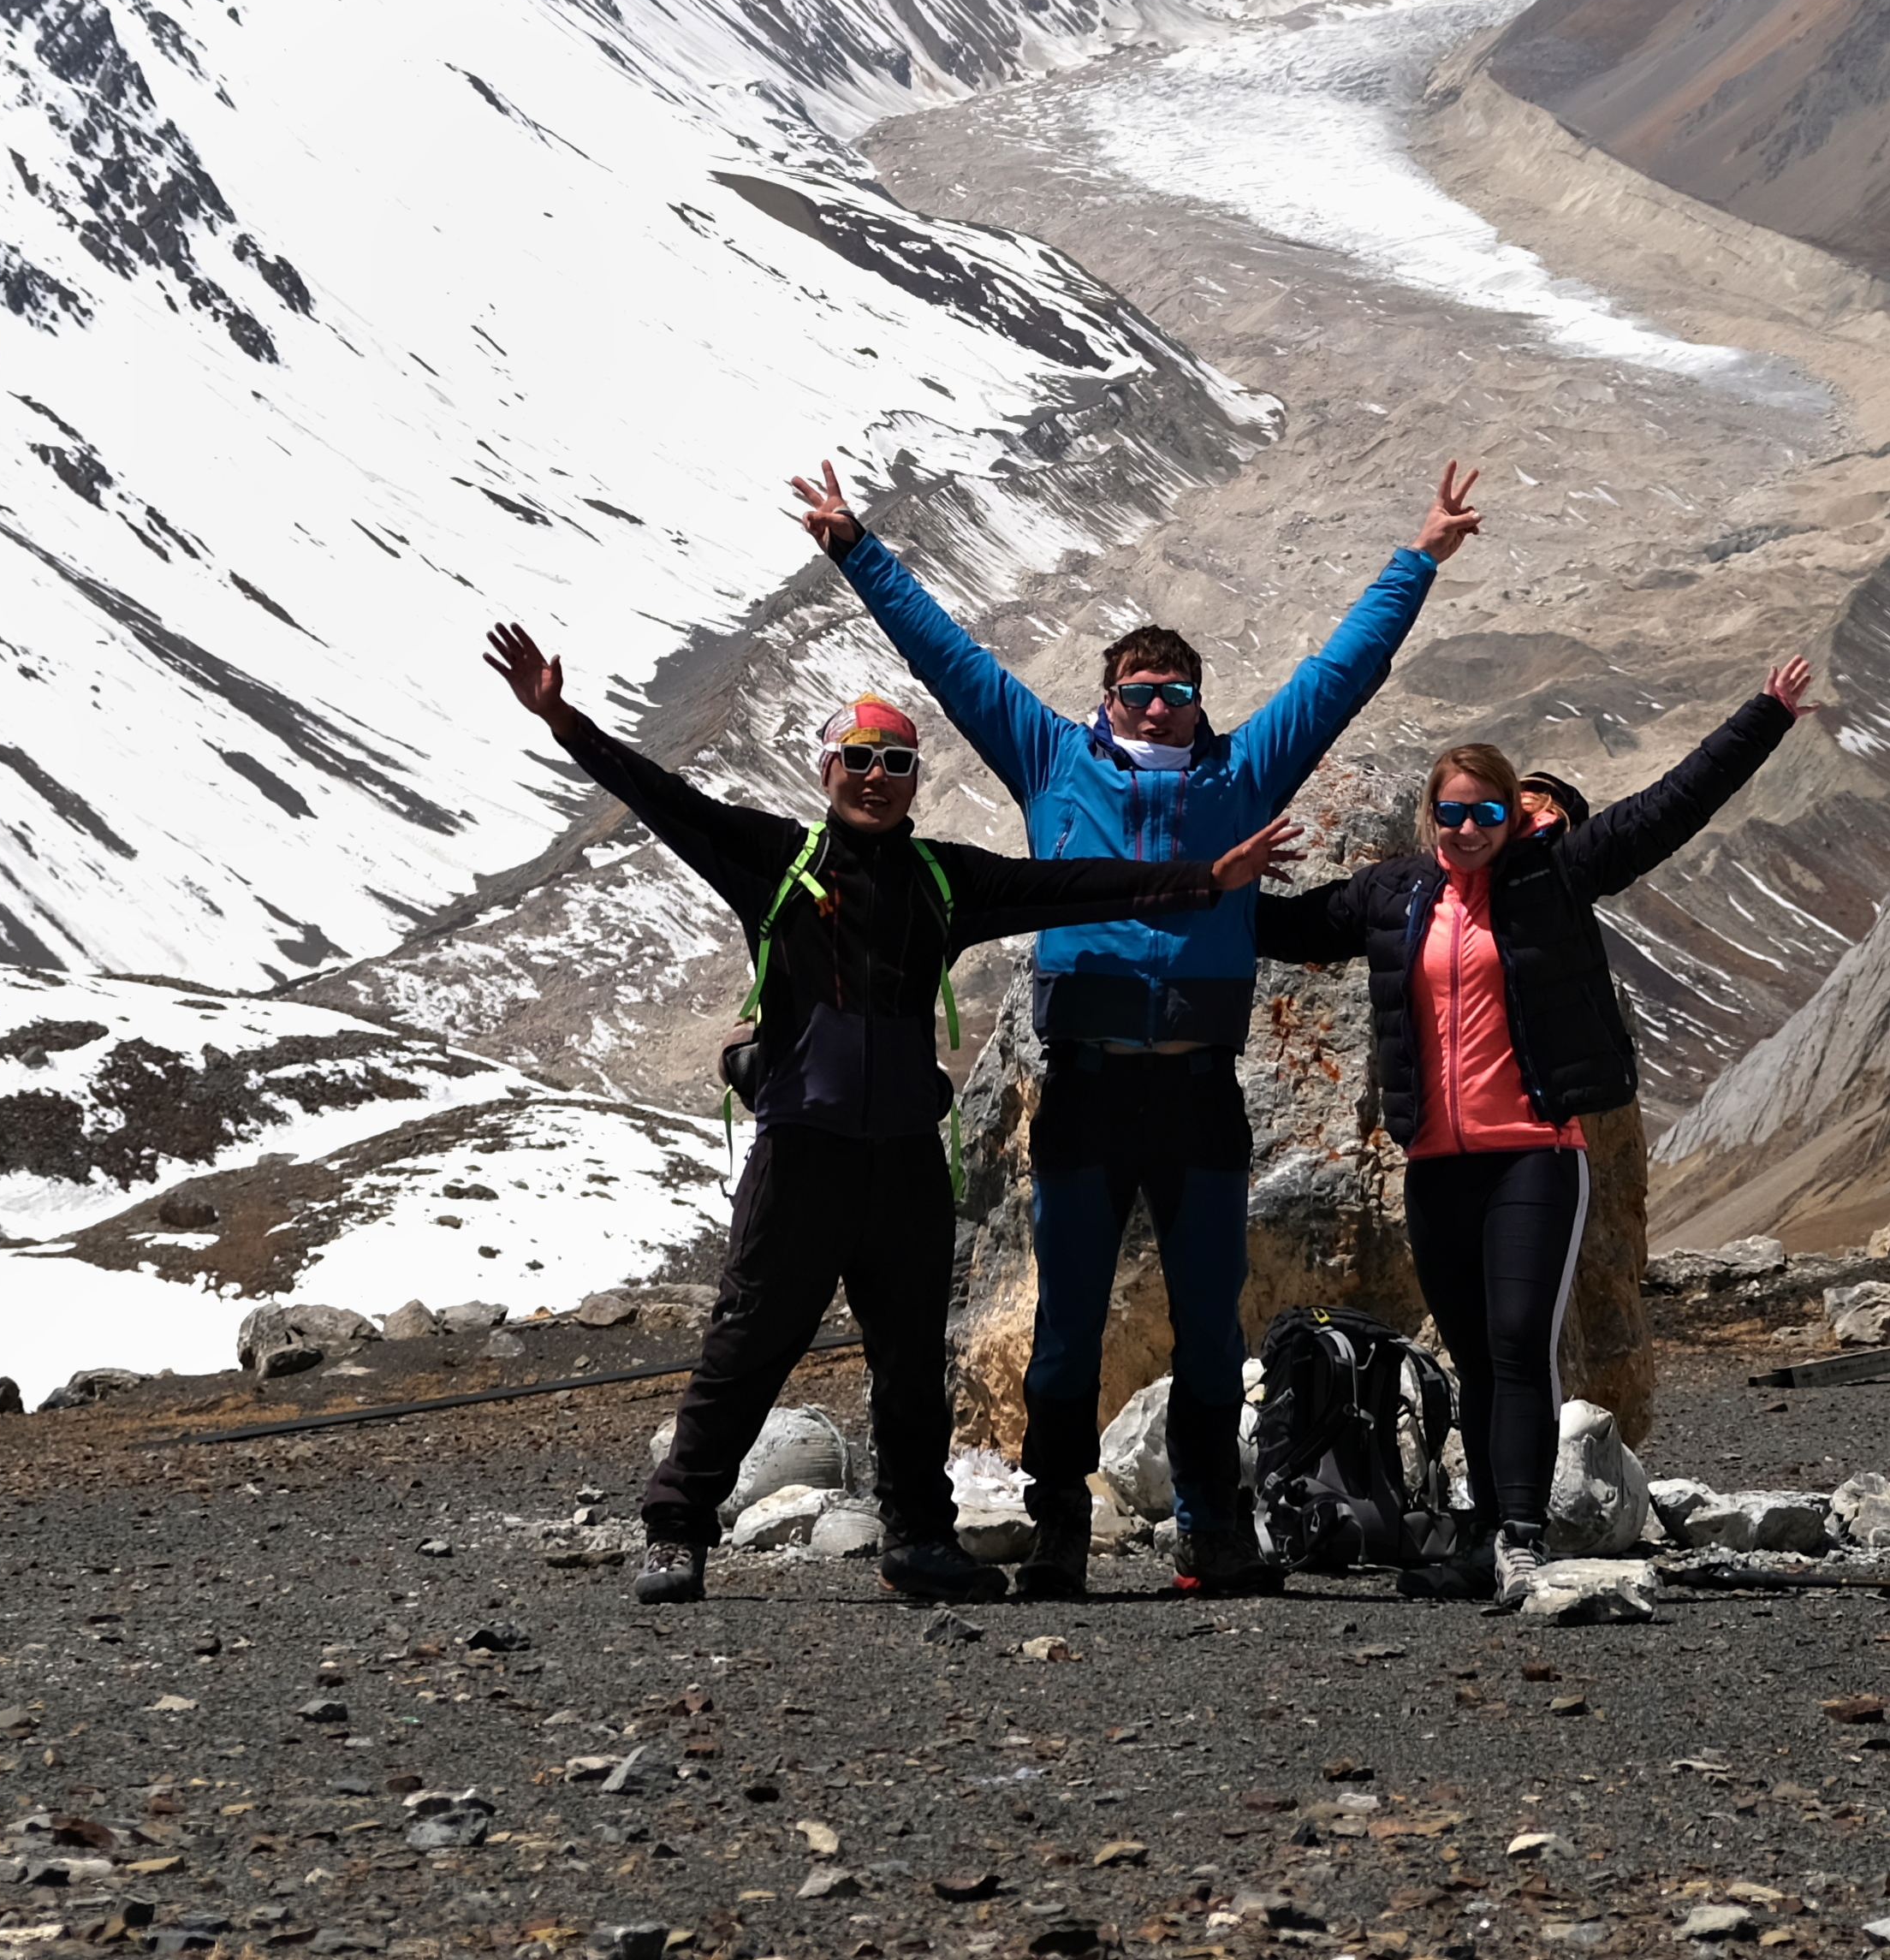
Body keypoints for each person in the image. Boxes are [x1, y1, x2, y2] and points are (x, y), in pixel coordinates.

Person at [478, 621, 1304, 1607]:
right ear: (827, 769)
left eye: (896, 761)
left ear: (915, 777)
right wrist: (562, 717)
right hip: (803, 1150)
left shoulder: (944, 879)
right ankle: (676, 1530)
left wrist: (1202, 880)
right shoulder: (771, 861)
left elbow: (1070, 884)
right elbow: (665, 800)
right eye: (858, 759)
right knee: (749, 1340)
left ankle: (918, 1538)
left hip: (907, 1156)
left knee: (911, 1360)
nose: (876, 775)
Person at [792, 456, 1484, 1595]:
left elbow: (1341, 670)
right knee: (1065, 1326)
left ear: (1199, 702)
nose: (1155, 706)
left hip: (1199, 1087)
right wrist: (857, 549)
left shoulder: (1245, 772)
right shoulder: (1049, 758)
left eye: (1173, 690)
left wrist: (1419, 558)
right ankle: (1055, 1519)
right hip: (1085, 1083)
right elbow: (949, 659)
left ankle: (1215, 1525)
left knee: (1211, 1323)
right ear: (1102, 701)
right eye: (1135, 690)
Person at [1255, 657, 1818, 1611]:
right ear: (1428, 820)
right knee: (1474, 1354)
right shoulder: (1391, 896)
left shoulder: (1554, 877)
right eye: (1452, 814)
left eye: (1487, 814)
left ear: (1514, 817)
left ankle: (1519, 1536)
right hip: (1435, 1164)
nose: (1468, 830)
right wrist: (1212, 881)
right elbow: (1286, 928)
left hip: (1533, 1156)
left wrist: (1763, 716)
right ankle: (1483, 1537)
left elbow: (1669, 807)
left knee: (1518, 1343)